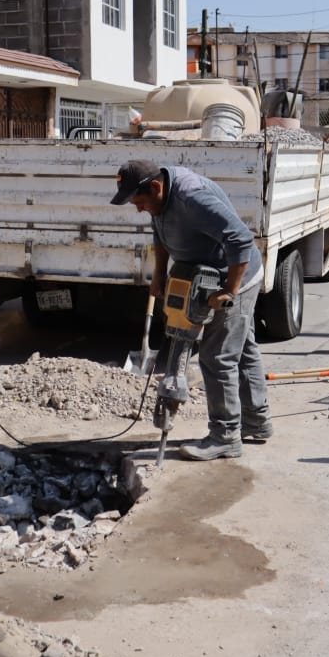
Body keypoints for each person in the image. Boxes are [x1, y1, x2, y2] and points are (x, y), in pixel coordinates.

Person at [110, 159, 273, 461]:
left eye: (140, 201)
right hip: (200, 275)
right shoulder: (159, 198)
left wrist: (229, 292)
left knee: (217, 356)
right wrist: (159, 273)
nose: (138, 208)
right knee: (243, 349)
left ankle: (225, 436)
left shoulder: (192, 198)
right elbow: (160, 236)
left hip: (236, 276)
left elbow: (240, 238)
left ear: (156, 188)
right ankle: (257, 422)